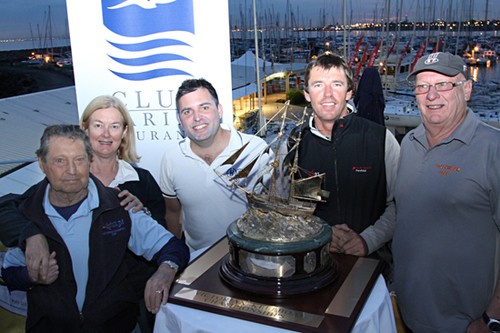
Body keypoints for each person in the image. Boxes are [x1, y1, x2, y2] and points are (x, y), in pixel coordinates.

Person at [0, 95, 168, 332]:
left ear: (124, 132)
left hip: (130, 304)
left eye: (114, 126)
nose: (106, 134)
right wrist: (31, 235)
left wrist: (142, 214)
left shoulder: (143, 180)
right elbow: (8, 207)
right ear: (85, 130)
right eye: (98, 125)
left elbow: (164, 237)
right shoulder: (61, 183)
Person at [392, 52, 500, 332]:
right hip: (409, 314)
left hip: (466, 323)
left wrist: (492, 319)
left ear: (466, 89)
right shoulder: (409, 144)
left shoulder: (493, 150)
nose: (431, 96)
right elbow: (402, 211)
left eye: (442, 85)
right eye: (422, 87)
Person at [288, 52, 400, 262]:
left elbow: (400, 204)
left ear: (349, 92)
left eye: (337, 84)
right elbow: (293, 208)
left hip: (372, 265)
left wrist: (368, 240)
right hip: (315, 263)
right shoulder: (295, 145)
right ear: (307, 93)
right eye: (318, 85)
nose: (328, 94)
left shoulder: (382, 140)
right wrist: (322, 234)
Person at [159, 78, 273, 251]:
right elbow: (173, 213)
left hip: (251, 256)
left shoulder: (256, 150)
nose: (197, 118)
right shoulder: (171, 159)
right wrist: (174, 257)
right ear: (180, 120)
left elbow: (276, 207)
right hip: (198, 260)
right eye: (187, 112)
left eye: (204, 107)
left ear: (219, 110)